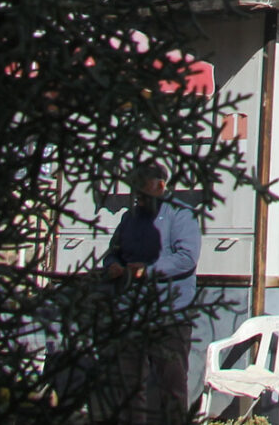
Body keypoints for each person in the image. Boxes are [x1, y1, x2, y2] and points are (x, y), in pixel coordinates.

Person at [104, 160, 201, 424]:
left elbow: (186, 258)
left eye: (142, 188)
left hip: (169, 315)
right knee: (129, 386)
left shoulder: (181, 215)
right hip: (130, 313)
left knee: (170, 386)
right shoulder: (129, 218)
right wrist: (112, 264)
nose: (137, 195)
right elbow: (113, 251)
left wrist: (146, 270)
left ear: (159, 186)